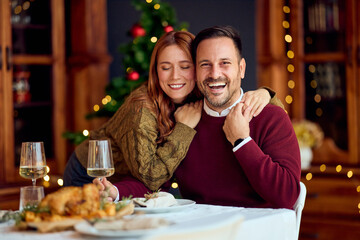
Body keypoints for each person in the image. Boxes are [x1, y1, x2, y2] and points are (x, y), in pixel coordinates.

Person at [63, 30, 283, 201]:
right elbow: (151, 177)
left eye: (185, 66)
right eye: (165, 67)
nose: (175, 76)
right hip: (92, 174)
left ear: (198, 69)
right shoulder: (141, 110)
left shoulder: (200, 94)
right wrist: (183, 130)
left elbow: (246, 101)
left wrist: (265, 94)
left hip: (130, 184)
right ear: (156, 71)